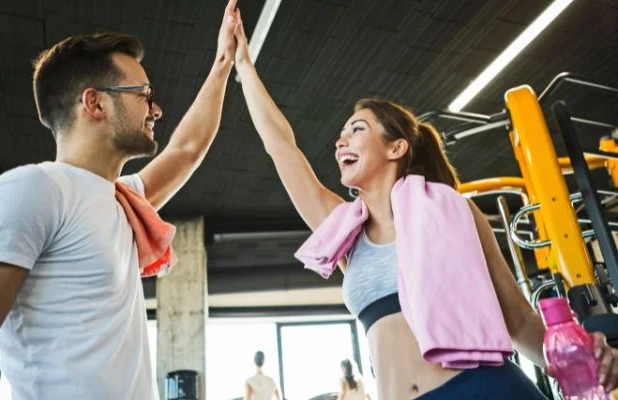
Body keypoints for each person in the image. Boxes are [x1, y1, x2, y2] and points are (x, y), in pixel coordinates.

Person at [230, 10, 618, 400]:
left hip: (485, 389)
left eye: (356, 130)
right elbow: (282, 148)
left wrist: (585, 360)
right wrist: (244, 66)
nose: (340, 141)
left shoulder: (456, 212)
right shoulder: (345, 236)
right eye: (341, 135)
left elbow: (517, 319)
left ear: (396, 148)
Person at [0, 1, 241, 399]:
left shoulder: (122, 201)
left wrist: (224, 62)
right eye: (143, 95)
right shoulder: (34, 190)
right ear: (95, 103)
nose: (156, 109)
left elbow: (186, 149)